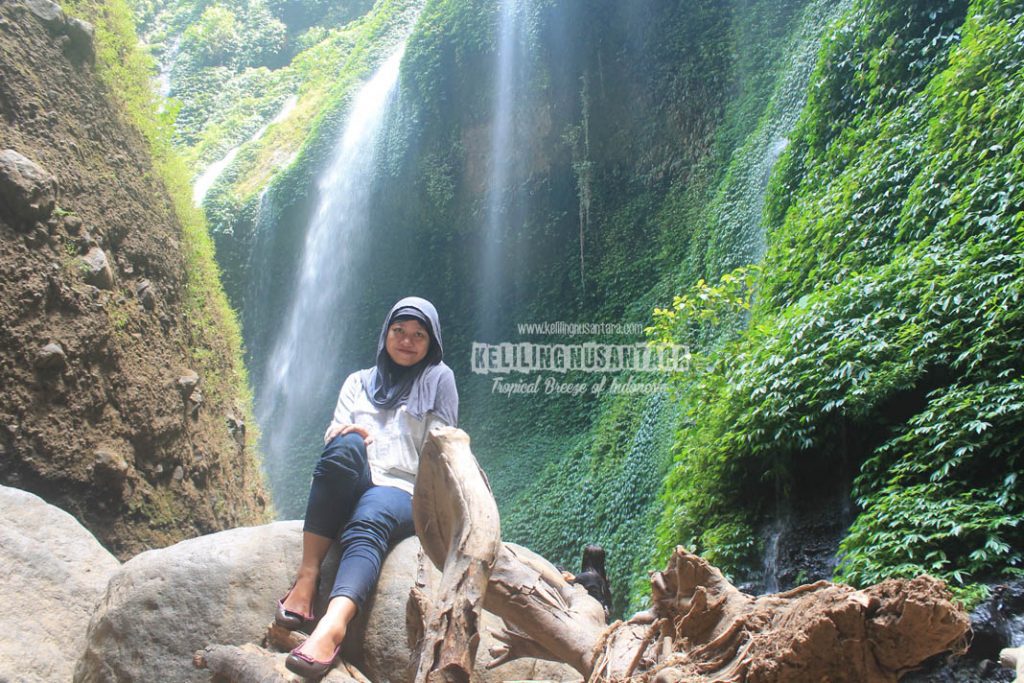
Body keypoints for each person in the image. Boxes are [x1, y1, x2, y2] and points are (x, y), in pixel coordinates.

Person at [278, 296, 459, 679]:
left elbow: (441, 450)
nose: (407, 341)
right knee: (343, 446)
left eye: (418, 335)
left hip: (404, 489)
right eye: (399, 330)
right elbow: (334, 431)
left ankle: (333, 625)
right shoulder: (358, 381)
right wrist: (349, 435)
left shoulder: (438, 380)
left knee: (372, 512)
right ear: (385, 333)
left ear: (431, 342)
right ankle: (308, 577)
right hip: (354, 479)